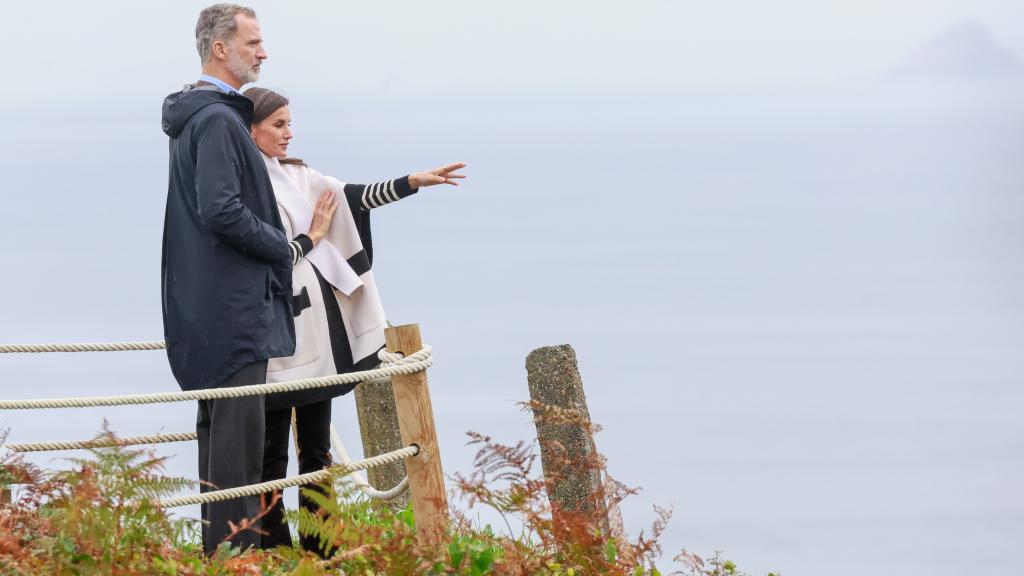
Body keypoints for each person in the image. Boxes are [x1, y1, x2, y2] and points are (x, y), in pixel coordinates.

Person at [242, 86, 465, 553]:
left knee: (317, 447)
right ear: (251, 129)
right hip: (277, 329)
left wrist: (411, 182)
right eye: (278, 124)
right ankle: (274, 549)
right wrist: (310, 236)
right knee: (270, 452)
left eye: (290, 123)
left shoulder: (300, 176)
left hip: (322, 327)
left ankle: (321, 547)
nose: (289, 133)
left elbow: (353, 199)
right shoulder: (243, 185)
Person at [161, 4, 325, 555]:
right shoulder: (215, 120)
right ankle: (237, 562)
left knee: (222, 446)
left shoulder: (206, 117)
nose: (263, 51)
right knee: (237, 449)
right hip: (232, 309)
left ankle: (222, 560)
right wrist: (283, 246)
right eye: (253, 42)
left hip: (209, 303)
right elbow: (222, 210)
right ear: (220, 49)